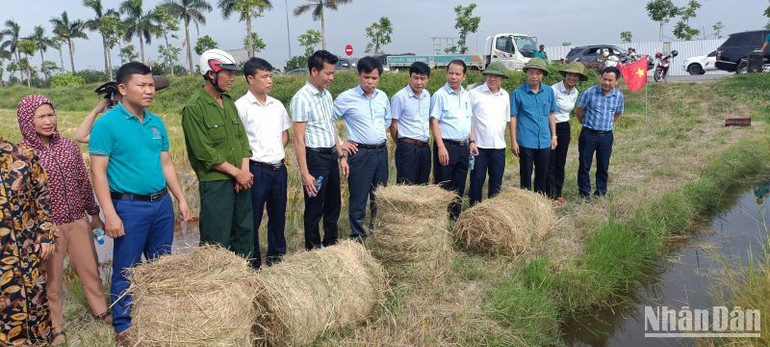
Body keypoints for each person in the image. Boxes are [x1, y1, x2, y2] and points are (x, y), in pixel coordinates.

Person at [89, 62, 190, 341]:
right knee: (126, 265)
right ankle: (123, 323)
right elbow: (97, 172)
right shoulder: (107, 124)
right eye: (142, 85)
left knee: (161, 263)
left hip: (160, 205)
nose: (149, 91)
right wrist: (109, 214)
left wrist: (180, 199)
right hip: (129, 207)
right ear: (122, 89)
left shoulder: (156, 123)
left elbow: (166, 163)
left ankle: (159, 312)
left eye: (151, 85)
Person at [16, 95, 111, 345]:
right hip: (48, 228)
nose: (48, 121)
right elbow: (23, 200)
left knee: (90, 269)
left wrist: (95, 215)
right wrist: (36, 233)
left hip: (78, 219)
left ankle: (101, 310)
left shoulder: (68, 146)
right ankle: (56, 326)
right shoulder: (22, 154)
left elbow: (83, 182)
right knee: (52, 280)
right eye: (41, 116)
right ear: (28, 120)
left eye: (51, 114)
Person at [182, 49, 255, 259]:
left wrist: (244, 172)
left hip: (241, 181)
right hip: (216, 183)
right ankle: (219, 288)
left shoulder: (229, 102)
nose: (232, 78)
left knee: (244, 234)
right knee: (217, 240)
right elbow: (205, 152)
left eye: (233, 73)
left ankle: (244, 282)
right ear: (211, 74)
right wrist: (236, 173)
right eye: (228, 73)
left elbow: (242, 140)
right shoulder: (194, 108)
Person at [290, 50, 349, 250]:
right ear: (314, 71)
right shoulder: (302, 98)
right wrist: (305, 173)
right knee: (315, 207)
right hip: (315, 158)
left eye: (333, 73)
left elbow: (330, 126)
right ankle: (313, 249)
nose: (331, 78)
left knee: (334, 204)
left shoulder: (327, 95)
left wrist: (341, 155)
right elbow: (298, 139)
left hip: (331, 154)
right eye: (328, 73)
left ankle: (331, 244)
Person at [235, 58, 290, 269]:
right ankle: (253, 262)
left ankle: (277, 259)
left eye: (271, 76)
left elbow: (285, 135)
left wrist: (274, 152)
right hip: (255, 170)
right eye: (264, 77)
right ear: (250, 79)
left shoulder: (277, 105)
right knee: (253, 219)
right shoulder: (240, 107)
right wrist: (245, 169)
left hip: (278, 168)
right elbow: (239, 143)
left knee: (278, 217)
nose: (269, 81)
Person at [0, 140, 55, 345]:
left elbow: (42, 194)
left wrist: (45, 234)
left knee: (34, 302)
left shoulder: (23, 156)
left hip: (26, 251)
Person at [333, 56, 391, 242]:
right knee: (359, 196)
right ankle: (357, 235)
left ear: (379, 78)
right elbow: (329, 120)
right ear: (359, 75)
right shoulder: (346, 98)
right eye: (366, 77)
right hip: (360, 153)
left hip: (381, 152)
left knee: (380, 194)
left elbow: (387, 120)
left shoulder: (382, 97)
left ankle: (377, 231)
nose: (370, 82)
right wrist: (341, 143)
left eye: (374, 78)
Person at [430, 59, 473, 220]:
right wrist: (441, 147)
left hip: (463, 146)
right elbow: (434, 121)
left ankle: (455, 217)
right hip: (446, 146)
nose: (453, 77)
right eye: (450, 73)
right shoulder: (440, 95)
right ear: (446, 74)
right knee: (444, 184)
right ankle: (441, 219)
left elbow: (469, 120)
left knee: (459, 184)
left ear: (464, 76)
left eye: (457, 74)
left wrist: (472, 142)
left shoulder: (466, 95)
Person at [576, 66, 625, 200]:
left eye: (610, 80)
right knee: (584, 165)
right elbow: (579, 111)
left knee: (603, 165)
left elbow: (617, 113)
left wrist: (607, 124)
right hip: (588, 134)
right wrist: (586, 124)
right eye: (604, 79)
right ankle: (584, 193)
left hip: (606, 136)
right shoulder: (589, 92)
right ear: (600, 77)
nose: (606, 82)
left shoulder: (618, 96)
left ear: (616, 81)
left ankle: (601, 192)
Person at [510, 58, 557, 195]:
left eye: (538, 73)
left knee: (542, 174)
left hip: (544, 140)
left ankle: (539, 201)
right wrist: (513, 141)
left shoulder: (549, 91)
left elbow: (551, 114)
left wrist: (554, 135)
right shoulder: (518, 93)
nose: (534, 76)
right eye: (531, 72)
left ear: (542, 75)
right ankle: (526, 201)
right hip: (526, 140)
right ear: (526, 74)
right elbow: (513, 118)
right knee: (526, 174)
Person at [468, 61, 511, 205]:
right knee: (477, 180)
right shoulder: (474, 93)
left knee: (496, 182)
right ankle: (474, 209)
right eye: (490, 75)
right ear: (486, 76)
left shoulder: (505, 95)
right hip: (479, 146)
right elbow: (468, 119)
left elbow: (505, 120)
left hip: (498, 146)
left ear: (502, 79)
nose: (493, 79)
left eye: (497, 76)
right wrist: (471, 141)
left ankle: (493, 211)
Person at [546, 62, 588, 206]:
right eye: (570, 74)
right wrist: (552, 133)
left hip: (565, 127)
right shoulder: (553, 89)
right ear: (565, 75)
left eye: (575, 76)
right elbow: (548, 111)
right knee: (551, 161)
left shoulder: (575, 92)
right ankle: (550, 195)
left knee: (561, 162)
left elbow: (569, 112)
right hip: (551, 126)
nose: (572, 78)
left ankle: (558, 193)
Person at [390, 62, 432, 185]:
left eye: (422, 78)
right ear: (410, 77)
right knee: (406, 186)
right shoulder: (400, 97)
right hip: (407, 148)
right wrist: (402, 143)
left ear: (427, 79)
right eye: (416, 78)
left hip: (424, 148)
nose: (419, 82)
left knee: (422, 186)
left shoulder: (427, 95)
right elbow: (394, 124)